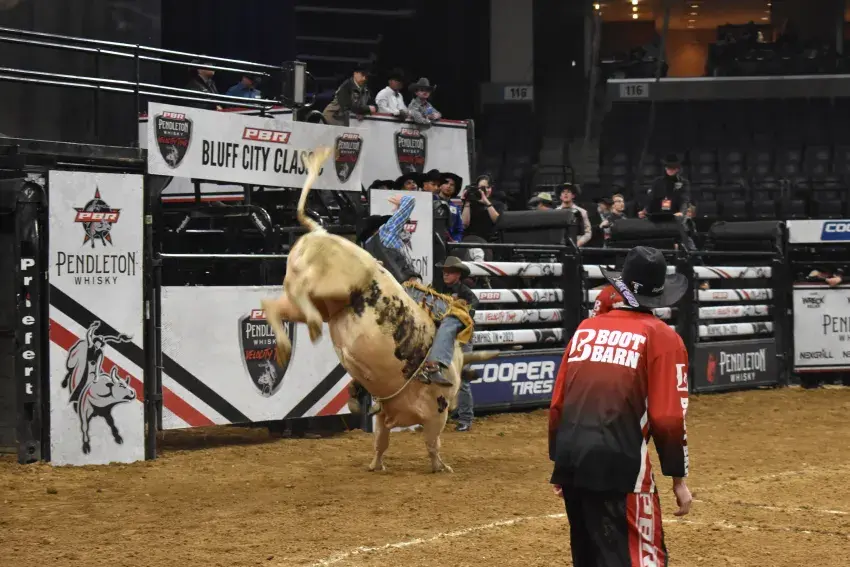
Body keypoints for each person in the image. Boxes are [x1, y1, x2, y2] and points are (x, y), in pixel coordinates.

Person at [549, 246, 693, 567]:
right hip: (623, 469)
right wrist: (678, 479)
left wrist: (561, 463)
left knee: (590, 559)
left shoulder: (585, 329)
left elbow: (559, 403)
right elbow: (668, 418)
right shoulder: (663, 338)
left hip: (573, 463)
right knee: (641, 559)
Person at [359, 196, 473, 386]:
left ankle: (417, 364)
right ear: (379, 227)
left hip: (388, 298)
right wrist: (401, 202)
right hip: (409, 291)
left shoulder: (366, 251)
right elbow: (410, 201)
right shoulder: (386, 232)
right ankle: (440, 365)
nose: (400, 228)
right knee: (458, 314)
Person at [437, 257, 478, 431]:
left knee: (462, 378)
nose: (446, 274)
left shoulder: (466, 293)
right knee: (443, 376)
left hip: (461, 339)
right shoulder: (440, 289)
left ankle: (466, 418)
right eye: (445, 271)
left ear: (458, 275)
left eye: (450, 272)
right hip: (445, 339)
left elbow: (472, 310)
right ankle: (451, 415)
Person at [461, 174, 505, 242]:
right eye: (482, 188)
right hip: (471, 239)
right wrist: (467, 202)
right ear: (477, 188)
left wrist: (486, 202)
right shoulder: (471, 203)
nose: (486, 190)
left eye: (488, 187)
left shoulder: (498, 204)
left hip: (489, 240)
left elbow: (498, 221)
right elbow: (464, 225)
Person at [556, 183, 591, 247]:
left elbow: (588, 233)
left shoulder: (582, 212)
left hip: (576, 245)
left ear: (573, 196)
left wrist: (578, 243)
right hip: (559, 246)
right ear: (560, 196)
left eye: (568, 192)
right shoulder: (555, 212)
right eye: (563, 192)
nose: (565, 194)